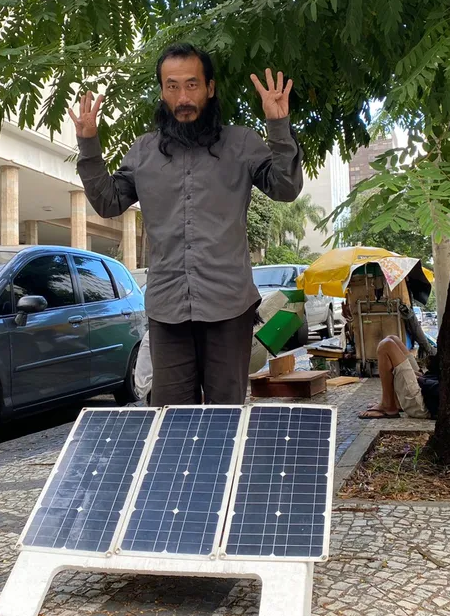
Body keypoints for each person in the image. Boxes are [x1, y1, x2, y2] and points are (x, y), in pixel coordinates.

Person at [70, 43, 303, 406]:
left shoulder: (241, 143)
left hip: (229, 305)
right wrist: (88, 145)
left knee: (225, 418)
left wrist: (278, 125)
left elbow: (286, 188)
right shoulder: (144, 152)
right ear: (162, 92)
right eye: (173, 86)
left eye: (192, 85)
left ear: (210, 88)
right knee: (173, 421)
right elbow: (108, 202)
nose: (183, 97)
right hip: (168, 309)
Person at [358, 335, 439, 420]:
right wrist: (423, 376)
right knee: (393, 338)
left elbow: (442, 389)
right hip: (428, 385)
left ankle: (388, 406)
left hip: (426, 404)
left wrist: (420, 379)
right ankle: (396, 402)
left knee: (386, 346)